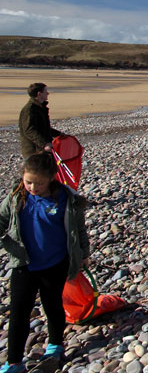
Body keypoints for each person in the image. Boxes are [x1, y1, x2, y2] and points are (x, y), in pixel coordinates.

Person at [0, 153, 90, 373]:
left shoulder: (67, 199)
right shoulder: (16, 196)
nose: (33, 187)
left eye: (38, 183)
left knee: (52, 305)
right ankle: (14, 362)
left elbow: (78, 230)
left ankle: (55, 345)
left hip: (55, 264)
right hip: (24, 264)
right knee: (19, 312)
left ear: (51, 178)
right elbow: (2, 219)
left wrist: (83, 254)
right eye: (28, 181)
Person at [19, 83, 62, 159]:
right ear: (39, 94)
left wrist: (59, 134)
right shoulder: (29, 110)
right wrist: (45, 144)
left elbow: (44, 128)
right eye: (45, 91)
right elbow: (29, 130)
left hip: (43, 150)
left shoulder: (41, 107)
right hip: (34, 152)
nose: (48, 93)